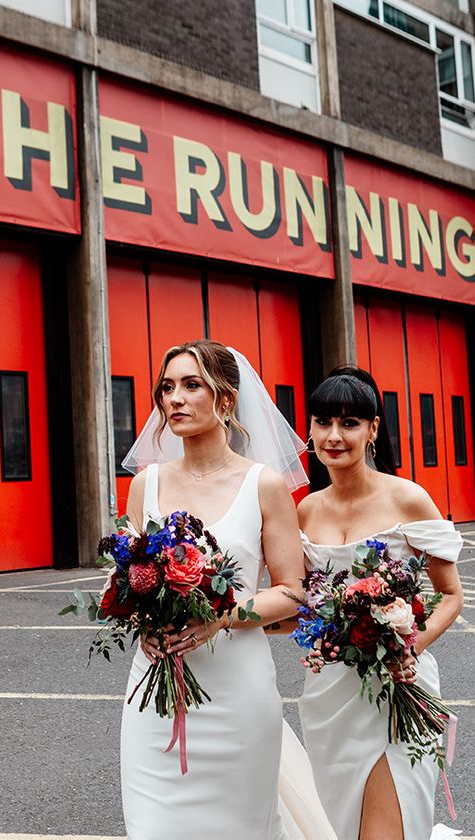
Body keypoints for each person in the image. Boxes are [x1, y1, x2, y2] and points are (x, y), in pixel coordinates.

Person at [119, 340, 322, 840]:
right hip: (154, 691)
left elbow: (292, 592)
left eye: (192, 385)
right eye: (167, 387)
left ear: (226, 399)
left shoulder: (264, 484)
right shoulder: (146, 484)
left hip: (236, 695)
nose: (175, 399)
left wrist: (221, 617)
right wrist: (139, 618)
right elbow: (125, 577)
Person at [294, 366, 464, 840]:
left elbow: (451, 596)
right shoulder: (305, 510)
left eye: (349, 423)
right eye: (323, 422)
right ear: (309, 429)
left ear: (372, 430)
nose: (333, 435)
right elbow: (301, 605)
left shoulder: (408, 499)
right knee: (348, 825)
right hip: (330, 695)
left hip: (398, 689)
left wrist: (410, 649)